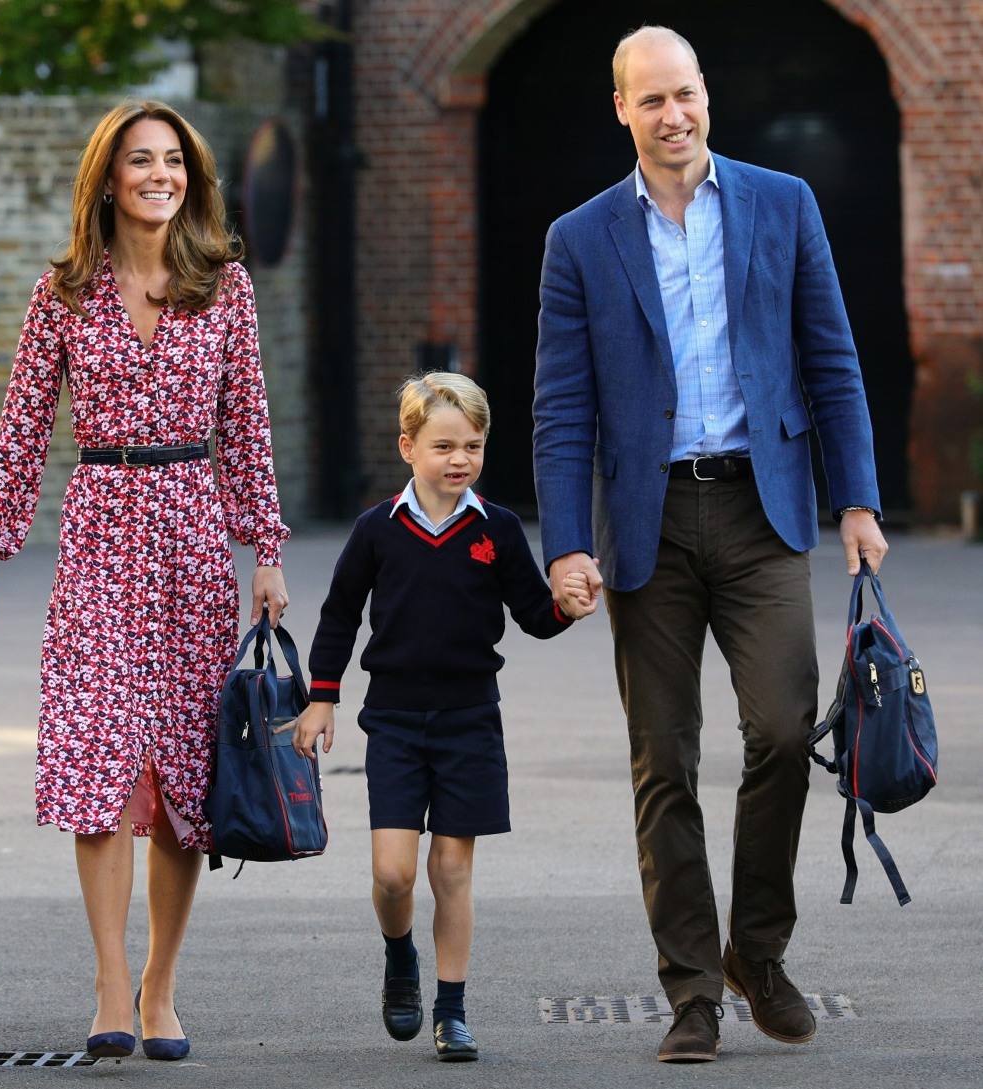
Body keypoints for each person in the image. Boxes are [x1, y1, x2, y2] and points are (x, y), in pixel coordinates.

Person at [532, 25, 889, 1063]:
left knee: (782, 732)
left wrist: (856, 500)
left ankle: (757, 953)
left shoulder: (782, 204)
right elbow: (562, 410)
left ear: (704, 95)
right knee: (664, 763)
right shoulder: (579, 237)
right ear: (621, 110)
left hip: (761, 510)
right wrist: (564, 546)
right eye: (649, 101)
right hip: (643, 524)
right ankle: (689, 989)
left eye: (683, 94)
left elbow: (833, 359)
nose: (671, 116)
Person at [0, 100, 289, 1062]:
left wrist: (264, 547)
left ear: (192, 176)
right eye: (140, 161)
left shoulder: (224, 288)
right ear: (107, 176)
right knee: (98, 760)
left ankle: (160, 987)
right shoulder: (59, 294)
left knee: (185, 771)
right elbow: (20, 441)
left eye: (173, 161)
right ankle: (108, 980)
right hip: (99, 531)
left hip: (191, 535)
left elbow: (248, 430)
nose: (159, 175)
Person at [289, 372, 591, 1063]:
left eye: (474, 446)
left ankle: (451, 1011)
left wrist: (566, 608)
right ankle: (401, 955)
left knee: (451, 869)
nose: (459, 459)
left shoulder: (499, 529)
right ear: (408, 446)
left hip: (469, 721)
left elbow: (533, 616)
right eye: (444, 445)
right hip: (393, 721)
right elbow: (339, 614)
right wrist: (322, 694)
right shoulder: (376, 529)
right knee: (394, 873)